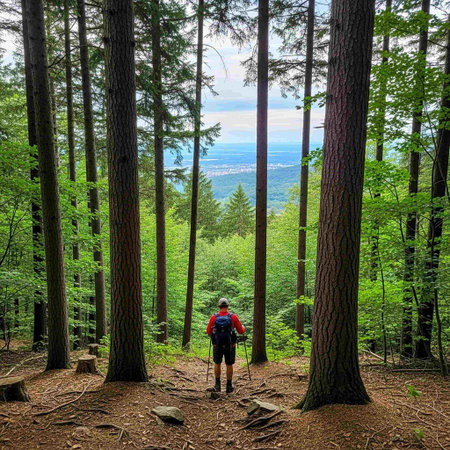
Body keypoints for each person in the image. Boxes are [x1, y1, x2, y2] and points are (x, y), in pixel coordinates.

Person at [206, 298, 245, 393]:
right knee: (229, 364)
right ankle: (229, 386)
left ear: (219, 306)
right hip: (230, 345)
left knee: (217, 363)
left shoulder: (214, 317)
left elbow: (208, 331)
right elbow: (241, 331)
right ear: (227, 306)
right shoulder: (233, 317)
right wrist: (243, 327)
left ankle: (217, 385)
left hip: (217, 345)